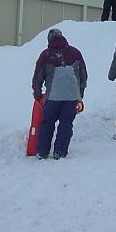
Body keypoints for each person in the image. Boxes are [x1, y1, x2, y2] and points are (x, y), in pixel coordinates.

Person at [32, 28, 87, 159]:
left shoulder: (46, 55)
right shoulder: (75, 53)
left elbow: (38, 76)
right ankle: (60, 152)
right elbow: (83, 75)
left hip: (53, 97)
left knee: (47, 123)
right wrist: (80, 94)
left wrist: (37, 93)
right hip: (72, 96)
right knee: (66, 123)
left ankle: (42, 152)